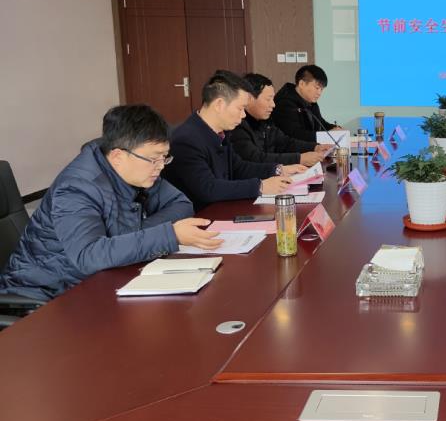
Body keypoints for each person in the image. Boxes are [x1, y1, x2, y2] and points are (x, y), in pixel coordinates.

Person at [0, 105, 220, 302]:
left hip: (97, 280)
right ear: (117, 156)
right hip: (45, 293)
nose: (161, 166)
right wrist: (168, 235)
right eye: (154, 158)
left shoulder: (138, 171)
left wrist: (134, 236)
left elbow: (181, 204)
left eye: (164, 157)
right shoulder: (76, 188)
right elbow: (89, 256)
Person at [164, 71, 302, 211]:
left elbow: (238, 167)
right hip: (199, 215)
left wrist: (278, 170)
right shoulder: (186, 140)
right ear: (219, 104)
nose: (243, 115)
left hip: (220, 209)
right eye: (240, 108)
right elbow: (208, 188)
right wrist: (260, 186)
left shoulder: (220, 133)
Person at [230, 73, 332, 166]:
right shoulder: (236, 125)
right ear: (249, 98)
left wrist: (315, 147)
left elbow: (285, 143)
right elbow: (256, 158)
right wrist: (299, 159)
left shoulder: (265, 121)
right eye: (268, 99)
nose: (273, 105)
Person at [271, 64, 341, 144]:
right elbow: (295, 134)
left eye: (321, 89)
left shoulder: (310, 101)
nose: (319, 93)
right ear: (302, 84)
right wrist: (326, 136)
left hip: (310, 148)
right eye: (317, 88)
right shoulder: (284, 103)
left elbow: (321, 123)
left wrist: (336, 129)